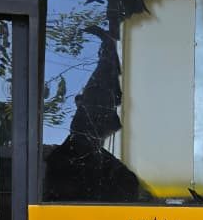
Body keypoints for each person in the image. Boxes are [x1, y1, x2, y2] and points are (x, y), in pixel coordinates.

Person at [43, 26, 153, 202]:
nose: (98, 115)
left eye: (106, 110)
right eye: (94, 108)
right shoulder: (59, 161)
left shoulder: (115, 172)